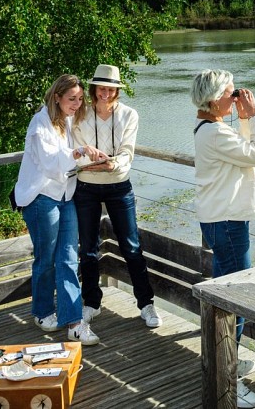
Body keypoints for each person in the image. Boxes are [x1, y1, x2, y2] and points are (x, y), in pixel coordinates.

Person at [191, 69, 255, 409]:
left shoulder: (210, 129)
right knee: (237, 298)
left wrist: (241, 119)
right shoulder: (214, 134)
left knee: (226, 293)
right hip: (227, 222)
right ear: (213, 99)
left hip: (219, 219)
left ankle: (227, 361)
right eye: (231, 93)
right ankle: (229, 377)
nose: (236, 97)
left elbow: (243, 150)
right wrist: (253, 117)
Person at [14, 74, 106, 346]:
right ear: (57, 97)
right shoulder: (40, 122)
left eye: (79, 99)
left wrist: (95, 157)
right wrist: (79, 152)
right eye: (71, 98)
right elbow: (50, 164)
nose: (77, 104)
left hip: (66, 196)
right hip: (42, 198)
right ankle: (42, 312)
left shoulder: (68, 121)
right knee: (45, 260)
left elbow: (70, 163)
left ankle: (74, 323)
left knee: (68, 258)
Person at [72, 64, 162, 329]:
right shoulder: (79, 115)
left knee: (132, 247)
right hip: (86, 187)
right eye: (102, 88)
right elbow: (76, 150)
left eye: (111, 89)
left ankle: (146, 304)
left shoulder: (129, 115)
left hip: (119, 185)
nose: (106, 93)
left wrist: (112, 164)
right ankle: (91, 303)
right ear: (93, 89)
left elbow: (127, 151)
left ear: (117, 91)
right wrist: (95, 160)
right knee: (88, 250)